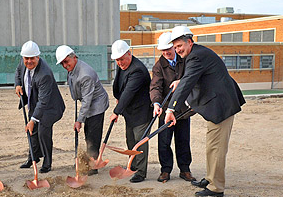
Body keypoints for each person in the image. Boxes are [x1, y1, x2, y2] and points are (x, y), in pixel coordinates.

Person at [165, 26, 245, 197]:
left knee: (216, 148)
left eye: (180, 46)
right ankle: (210, 178)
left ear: (190, 42)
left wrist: (170, 108)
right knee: (211, 146)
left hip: (221, 107)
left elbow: (188, 82)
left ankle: (216, 187)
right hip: (216, 105)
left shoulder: (196, 57)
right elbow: (191, 78)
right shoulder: (196, 54)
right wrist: (182, 80)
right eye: (176, 47)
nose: (178, 50)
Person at [55, 45, 109, 176]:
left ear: (74, 57)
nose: (64, 65)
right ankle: (86, 161)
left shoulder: (85, 75)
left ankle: (93, 166)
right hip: (88, 102)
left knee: (93, 135)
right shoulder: (73, 68)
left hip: (97, 104)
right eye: (62, 63)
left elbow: (87, 101)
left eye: (66, 61)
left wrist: (79, 120)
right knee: (87, 133)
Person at [150, 32, 196, 183]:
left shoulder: (185, 59)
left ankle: (185, 169)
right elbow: (155, 86)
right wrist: (156, 103)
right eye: (163, 51)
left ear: (174, 46)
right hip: (165, 111)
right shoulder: (159, 66)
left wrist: (181, 81)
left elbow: (192, 76)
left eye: (168, 49)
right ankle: (165, 170)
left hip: (182, 110)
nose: (166, 53)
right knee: (164, 142)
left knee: (183, 140)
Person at [15, 41, 65, 173]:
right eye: (27, 58)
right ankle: (33, 157)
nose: (29, 61)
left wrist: (33, 120)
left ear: (38, 57)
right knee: (31, 131)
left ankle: (47, 163)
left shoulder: (45, 74)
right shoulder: (23, 62)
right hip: (35, 102)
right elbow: (18, 71)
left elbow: (43, 101)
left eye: (32, 58)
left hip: (51, 107)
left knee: (43, 131)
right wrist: (18, 84)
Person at [109, 40, 153, 183]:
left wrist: (116, 111)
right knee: (130, 140)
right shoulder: (122, 66)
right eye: (117, 60)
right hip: (129, 111)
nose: (119, 63)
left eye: (122, 59)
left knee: (139, 141)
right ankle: (132, 166)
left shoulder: (137, 70)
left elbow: (129, 92)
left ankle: (140, 172)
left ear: (129, 53)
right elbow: (120, 86)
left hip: (141, 111)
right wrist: (118, 99)